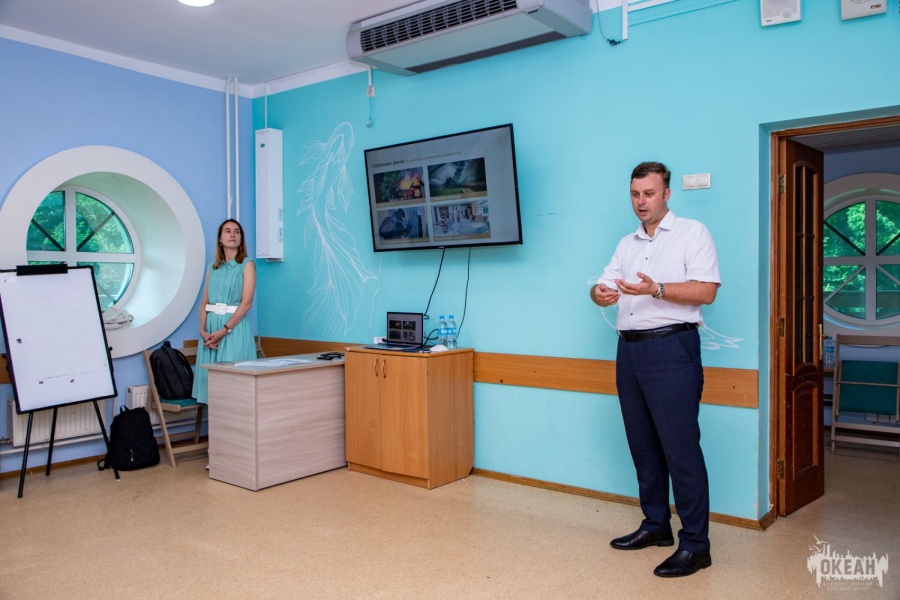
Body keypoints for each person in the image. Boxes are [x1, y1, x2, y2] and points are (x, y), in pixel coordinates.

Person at [589, 161, 721, 578]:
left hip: (672, 348)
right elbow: (600, 286)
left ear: (666, 194)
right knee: (642, 445)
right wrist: (599, 293)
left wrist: (655, 289)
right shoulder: (626, 244)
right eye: (635, 194)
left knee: (680, 449)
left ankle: (696, 546)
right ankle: (656, 525)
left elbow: (707, 291)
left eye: (648, 193)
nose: (641, 202)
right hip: (629, 351)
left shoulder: (692, 233)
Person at [192, 218, 257, 405]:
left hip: (234, 330)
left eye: (237, 231)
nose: (232, 234)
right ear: (220, 238)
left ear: (241, 239)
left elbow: (246, 304)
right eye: (227, 231)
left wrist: (224, 330)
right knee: (211, 390)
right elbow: (204, 303)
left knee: (233, 389)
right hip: (211, 332)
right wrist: (203, 331)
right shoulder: (213, 268)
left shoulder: (247, 265)